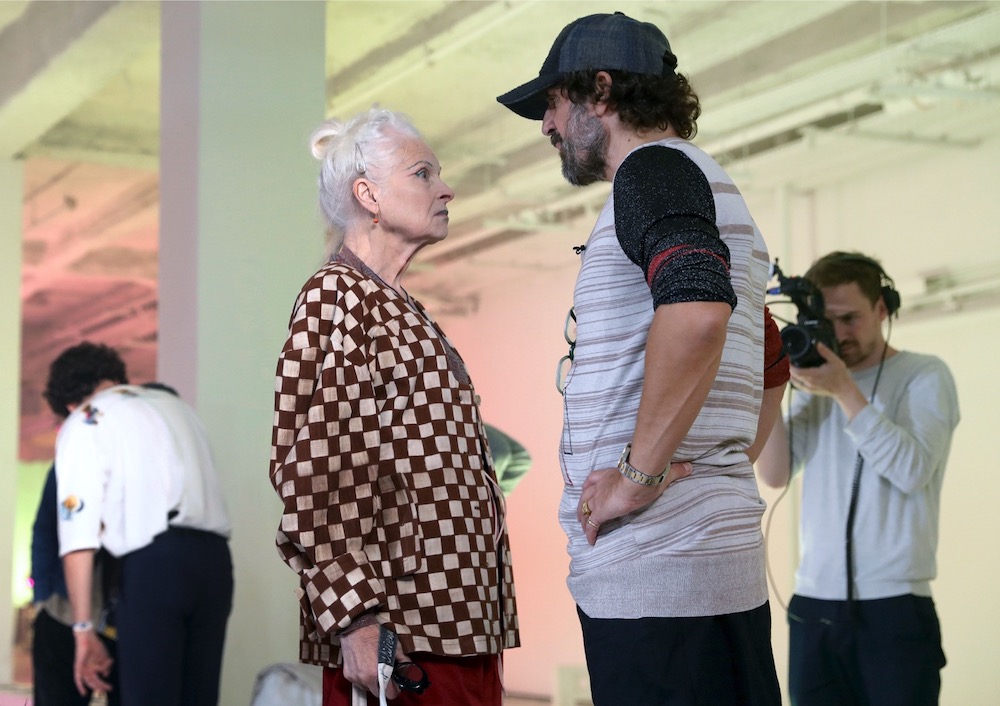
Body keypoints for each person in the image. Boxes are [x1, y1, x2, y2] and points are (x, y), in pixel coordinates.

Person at [497, 12, 784, 705]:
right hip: (699, 567)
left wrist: (638, 475)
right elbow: (771, 355)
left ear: (600, 91)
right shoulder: (706, 187)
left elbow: (698, 310)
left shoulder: (653, 169)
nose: (546, 125)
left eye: (553, 103)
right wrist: (720, 463)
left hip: (660, 578)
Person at [269, 107, 519, 706]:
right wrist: (355, 617)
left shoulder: (395, 303)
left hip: (456, 621)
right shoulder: (337, 296)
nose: (445, 189)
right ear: (369, 195)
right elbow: (315, 475)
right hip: (402, 634)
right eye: (423, 173)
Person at [756, 251, 959, 706]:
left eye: (850, 318)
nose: (840, 334)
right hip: (813, 605)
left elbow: (912, 471)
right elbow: (774, 472)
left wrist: (845, 390)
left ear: (882, 308)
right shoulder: (816, 386)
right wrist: (771, 383)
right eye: (827, 321)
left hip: (894, 607)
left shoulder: (923, 375)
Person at [45, 342, 234, 706]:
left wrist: (83, 630)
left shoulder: (87, 418)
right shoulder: (177, 407)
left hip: (156, 565)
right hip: (215, 563)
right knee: (200, 696)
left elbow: (78, 537)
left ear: (67, 403)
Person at [31, 463, 120, 706]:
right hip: (64, 612)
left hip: (128, 619)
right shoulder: (70, 461)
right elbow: (45, 528)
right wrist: (42, 598)